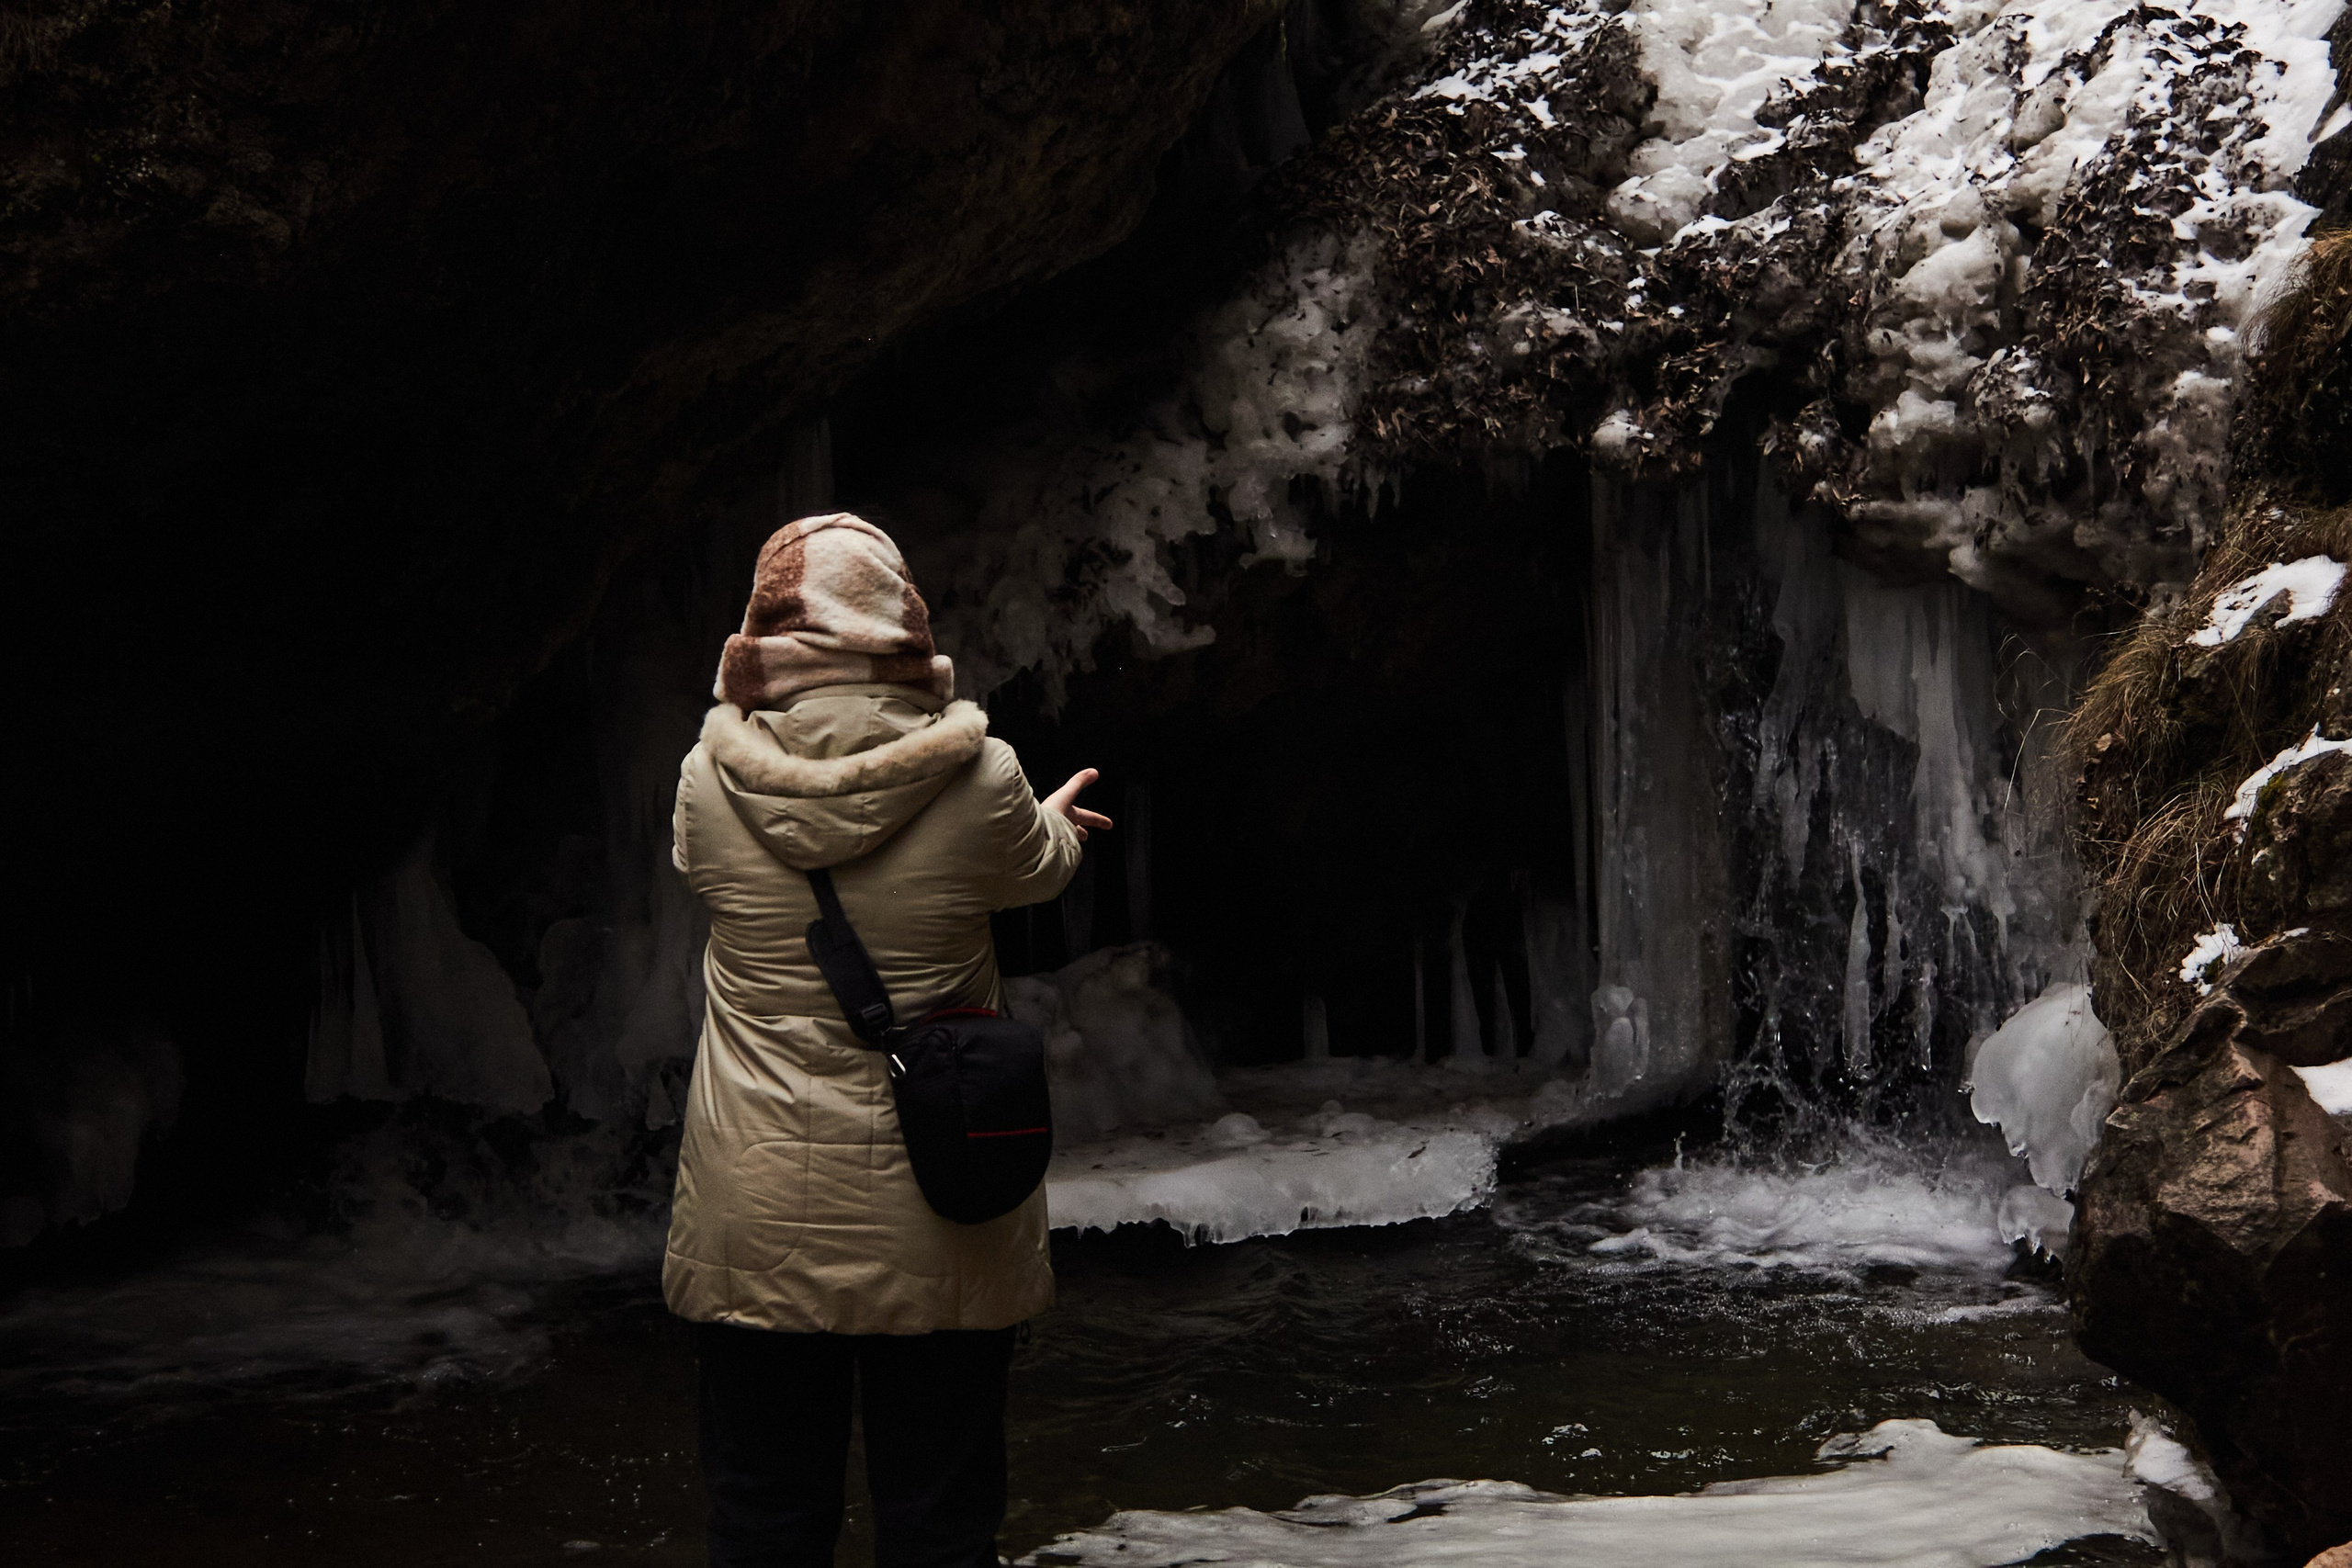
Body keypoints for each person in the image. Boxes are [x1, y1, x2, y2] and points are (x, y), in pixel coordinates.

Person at [662, 512, 1109, 1568]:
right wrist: (1051, 820)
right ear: (902, 624)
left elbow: (699, 870)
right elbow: (1039, 868)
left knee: (764, 1523)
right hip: (941, 1213)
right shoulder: (980, 775)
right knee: (940, 1527)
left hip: (758, 1224)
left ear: (764, 631)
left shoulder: (709, 780)